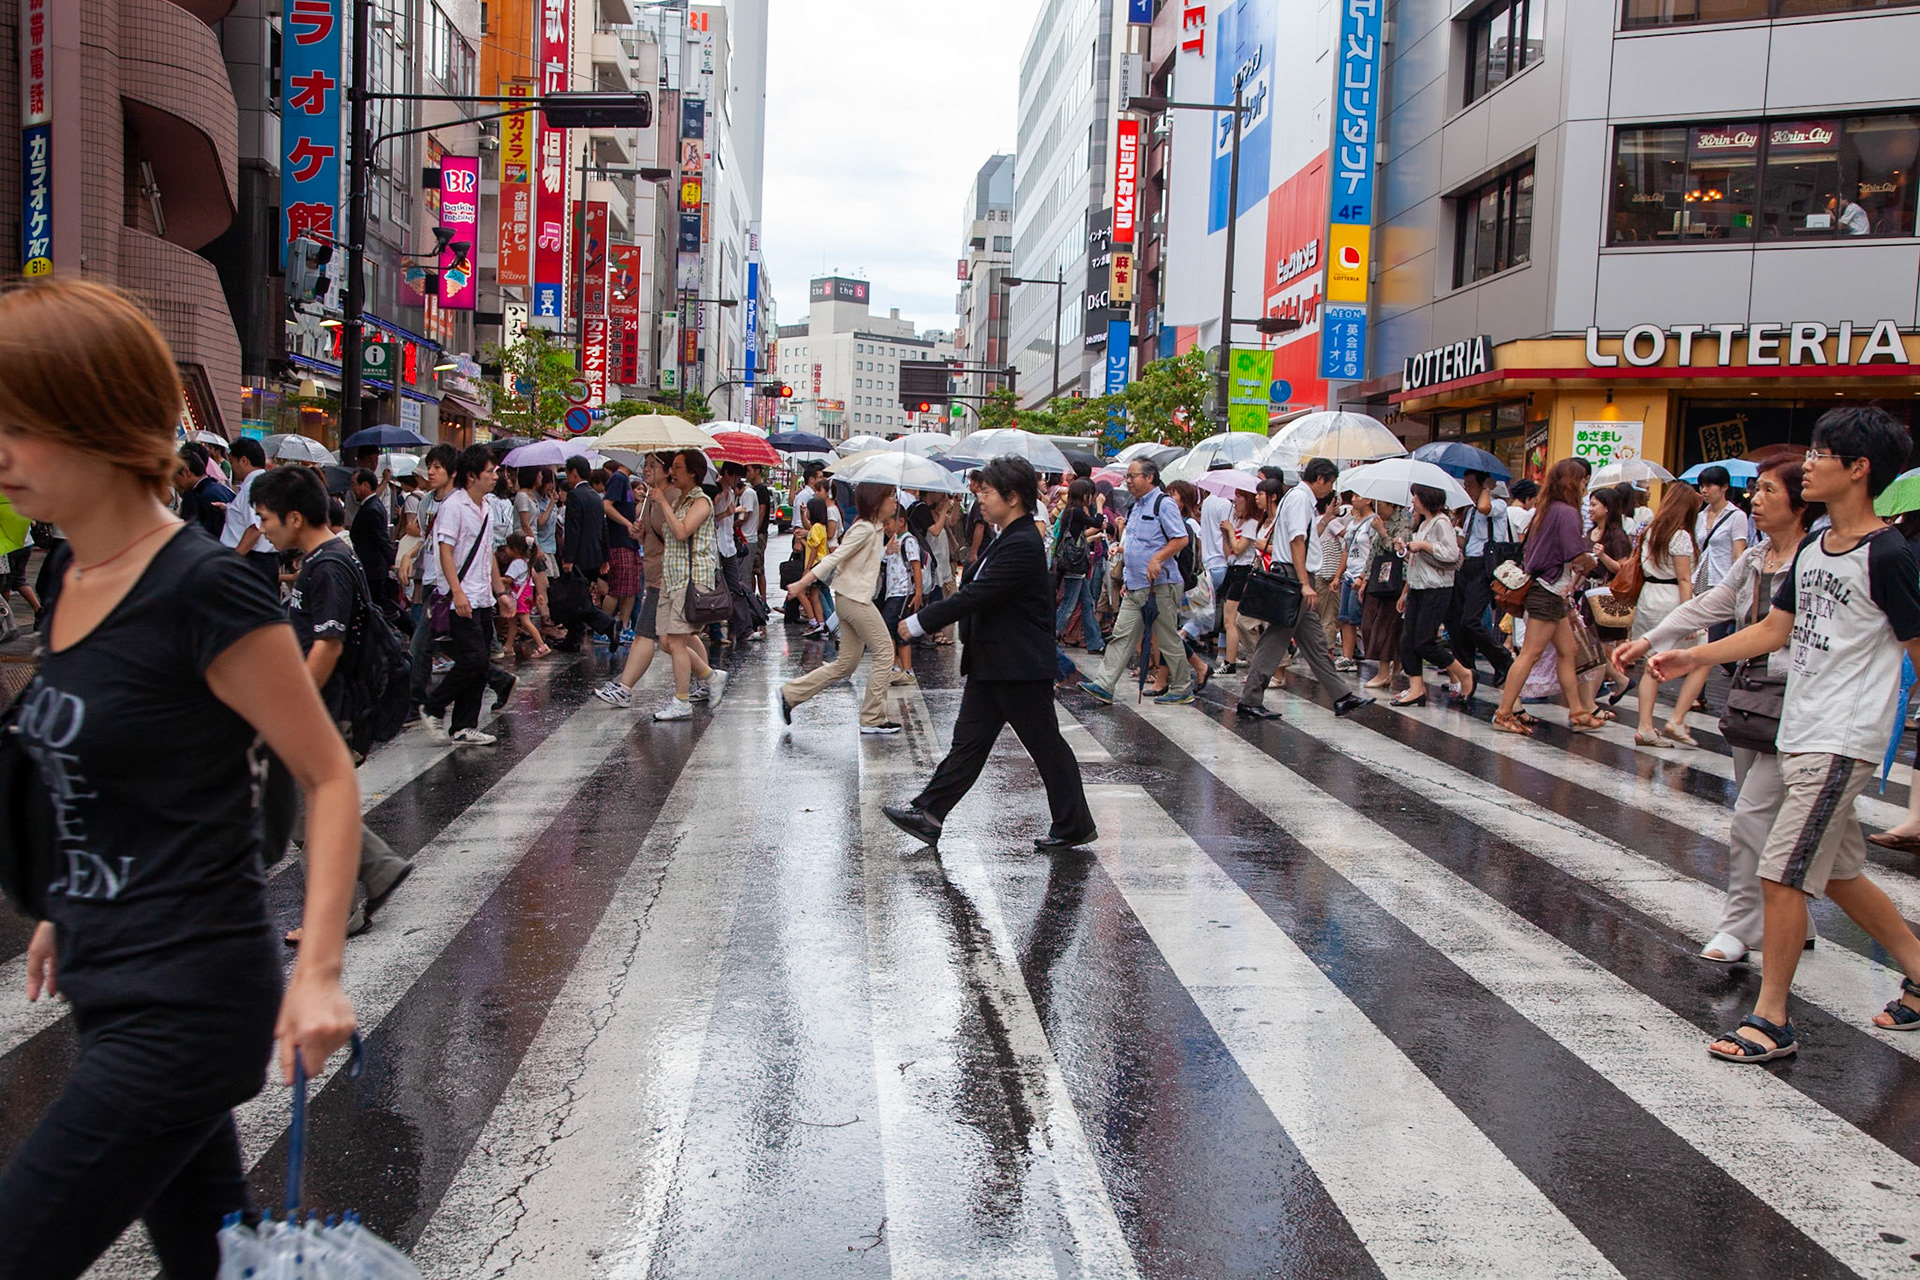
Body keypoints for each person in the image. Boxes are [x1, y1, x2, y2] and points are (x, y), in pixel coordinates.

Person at [0, 279, 357, 1277]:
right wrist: (63, 899)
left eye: (21, 425)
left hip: (188, 1001)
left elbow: (326, 776)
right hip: (113, 983)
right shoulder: (74, 576)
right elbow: (111, 762)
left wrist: (319, 971)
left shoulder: (203, 588)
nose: (1, 451)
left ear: (98, 421)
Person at [1649, 407, 1920, 1061]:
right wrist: (1694, 656)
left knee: (1783, 872)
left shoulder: (1888, 554)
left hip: (1842, 737)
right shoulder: (1816, 552)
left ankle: (1771, 1019)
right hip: (1798, 731)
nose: (1810, 464)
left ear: (1858, 470)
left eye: (1823, 454)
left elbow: (1916, 645)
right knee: (1840, 874)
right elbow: (1775, 631)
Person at [1617, 456, 1821, 963]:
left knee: (1752, 817)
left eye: (1769, 490)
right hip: (1755, 699)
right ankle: (1801, 920)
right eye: (1756, 490)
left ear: (1799, 503)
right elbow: (1709, 604)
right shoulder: (1755, 557)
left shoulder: (1818, 559)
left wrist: (1691, 654)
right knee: (1795, 832)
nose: (1755, 498)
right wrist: (1649, 641)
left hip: (1804, 704)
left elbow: (1774, 629)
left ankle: (1738, 924)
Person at [883, 456, 1096, 851]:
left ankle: (1073, 823)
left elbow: (975, 595)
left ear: (1013, 497)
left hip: (1017, 666)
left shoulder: (1023, 543)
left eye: (988, 491)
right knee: (969, 744)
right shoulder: (1008, 536)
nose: (980, 498)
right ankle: (930, 814)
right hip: (994, 663)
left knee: (1046, 746)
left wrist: (917, 623)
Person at [252, 465, 416, 942]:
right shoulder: (328, 559)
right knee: (314, 812)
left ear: (295, 517)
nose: (262, 528)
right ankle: (379, 869)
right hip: (328, 704)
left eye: (265, 518)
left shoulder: (327, 567)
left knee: (310, 816)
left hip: (329, 707)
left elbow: (328, 646)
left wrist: (292, 708)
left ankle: (341, 911)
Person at [1231, 459, 1373, 722]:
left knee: (1316, 642)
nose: (1330, 490)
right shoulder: (1299, 499)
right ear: (1320, 478)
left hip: (1295, 576)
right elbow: (1297, 541)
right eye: (1330, 483)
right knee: (1275, 641)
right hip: (1295, 578)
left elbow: (1303, 537)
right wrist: (1304, 583)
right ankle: (1250, 700)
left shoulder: (1298, 498)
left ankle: (1342, 696)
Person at [1493, 458, 1603, 735]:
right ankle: (1504, 712)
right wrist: (1590, 560)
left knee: (1568, 651)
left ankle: (1578, 710)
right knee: (1530, 653)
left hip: (1548, 590)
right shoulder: (1566, 512)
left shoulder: (1547, 509)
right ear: (1571, 482)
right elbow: (1575, 555)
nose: (1584, 486)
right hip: (1547, 590)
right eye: (1582, 480)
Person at [780, 480, 898, 733]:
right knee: (885, 652)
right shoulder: (865, 529)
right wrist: (803, 582)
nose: (895, 502)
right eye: (891, 496)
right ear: (877, 501)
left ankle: (791, 694)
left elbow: (859, 561)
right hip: (855, 600)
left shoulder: (874, 529)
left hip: (850, 598)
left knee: (846, 664)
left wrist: (887, 550)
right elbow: (835, 557)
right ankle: (873, 717)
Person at [1079, 457, 1194, 706]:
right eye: (1127, 477)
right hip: (1135, 585)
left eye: (1133, 476)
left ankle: (1182, 686)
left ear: (1150, 477)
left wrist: (1158, 559)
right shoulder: (1136, 506)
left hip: (1160, 584)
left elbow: (1180, 539)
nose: (1128, 481)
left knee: (1166, 637)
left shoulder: (1163, 504)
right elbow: (1138, 540)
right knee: (1122, 635)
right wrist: (1121, 549)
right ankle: (1104, 684)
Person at [421, 445, 508, 746]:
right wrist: (457, 591)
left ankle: (464, 725)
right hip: (461, 598)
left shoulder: (485, 507)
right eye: (489, 472)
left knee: (479, 663)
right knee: (474, 659)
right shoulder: (454, 506)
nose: (495, 476)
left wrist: (500, 592)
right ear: (472, 476)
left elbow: (488, 555)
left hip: (482, 597)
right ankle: (432, 705)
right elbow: (444, 552)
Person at [651, 448, 729, 721]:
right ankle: (711, 675)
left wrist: (661, 502)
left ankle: (682, 701)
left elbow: (683, 532)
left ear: (693, 472)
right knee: (666, 641)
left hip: (691, 579)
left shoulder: (701, 501)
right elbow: (669, 534)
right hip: (671, 578)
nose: (672, 472)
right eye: (671, 467)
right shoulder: (680, 501)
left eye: (678, 467)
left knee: (675, 641)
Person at [1631, 482, 1710, 748]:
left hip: (1649, 598)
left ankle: (1645, 727)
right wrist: (1689, 617)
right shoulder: (1680, 536)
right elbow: (1685, 579)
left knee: (1651, 665)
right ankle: (1676, 719)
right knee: (1703, 657)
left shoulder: (1650, 530)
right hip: (1672, 599)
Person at [595, 454, 678, 707]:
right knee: (673, 639)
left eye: (652, 465)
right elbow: (651, 539)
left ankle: (624, 688)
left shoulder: (670, 497)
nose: (645, 470)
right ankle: (709, 676)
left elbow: (676, 536)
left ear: (666, 471)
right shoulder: (652, 496)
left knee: (646, 633)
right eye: (646, 464)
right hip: (655, 572)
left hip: (666, 575)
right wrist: (639, 533)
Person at [1393, 482, 1476, 707]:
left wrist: (1424, 546)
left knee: (1424, 641)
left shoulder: (1441, 522)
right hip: (1418, 587)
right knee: (1407, 641)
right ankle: (1416, 688)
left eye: (1416, 496)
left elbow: (1451, 554)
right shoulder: (1422, 524)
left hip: (1436, 589)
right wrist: (1407, 549)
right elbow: (1420, 562)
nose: (1412, 501)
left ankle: (1463, 673)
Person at [1445, 469, 1514, 685]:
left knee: (1471, 620)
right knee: (1455, 620)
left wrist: (1487, 487)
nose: (1467, 489)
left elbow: (1486, 507)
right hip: (1467, 565)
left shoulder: (1497, 505)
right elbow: (1466, 543)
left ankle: (1502, 659)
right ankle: (1467, 669)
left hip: (1485, 566)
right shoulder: (1471, 511)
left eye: (1471, 485)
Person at [557, 454, 619, 652]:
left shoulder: (575, 495)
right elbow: (604, 528)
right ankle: (573, 638)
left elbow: (573, 529)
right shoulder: (594, 495)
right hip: (594, 556)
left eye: (568, 473)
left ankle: (606, 623)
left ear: (574, 473)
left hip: (579, 557)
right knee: (579, 598)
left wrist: (568, 558)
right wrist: (604, 556)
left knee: (576, 599)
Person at [219, 436, 281, 586]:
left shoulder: (253, 487)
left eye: (232, 462)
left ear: (244, 461)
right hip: (260, 560)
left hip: (251, 560)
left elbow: (255, 528)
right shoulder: (265, 483)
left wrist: (233, 561)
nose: (232, 467)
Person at [1053, 476, 1105, 653]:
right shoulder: (1077, 511)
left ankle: (1095, 642)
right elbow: (1098, 523)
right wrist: (1099, 505)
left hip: (1074, 565)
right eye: (1091, 495)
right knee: (1068, 604)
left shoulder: (1071, 510)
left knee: (1087, 603)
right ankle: (1049, 636)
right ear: (1085, 495)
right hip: (1074, 566)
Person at [1219, 486, 1265, 672]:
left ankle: (1230, 662)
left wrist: (1230, 531)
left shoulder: (1251, 523)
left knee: (1232, 620)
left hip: (1243, 572)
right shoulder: (1237, 523)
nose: (1235, 500)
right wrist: (1226, 535)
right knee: (1229, 619)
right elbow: (1229, 552)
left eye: (1239, 497)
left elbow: (1239, 549)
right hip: (1233, 570)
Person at [880, 504, 924, 684]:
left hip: (903, 593)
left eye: (888, 522)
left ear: (901, 521)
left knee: (887, 628)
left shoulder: (908, 540)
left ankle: (897, 668)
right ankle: (904, 670)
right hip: (892, 593)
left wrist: (918, 592)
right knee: (899, 632)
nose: (886, 527)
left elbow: (916, 566)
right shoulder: (893, 541)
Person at [1336, 492, 1376, 672]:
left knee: (1357, 615)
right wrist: (1338, 575)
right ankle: (1347, 656)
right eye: (1352, 496)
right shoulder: (1352, 522)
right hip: (1349, 574)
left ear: (1368, 500)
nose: (1353, 500)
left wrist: (1364, 576)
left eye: (1357, 496)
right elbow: (1346, 549)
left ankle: (1373, 652)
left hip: (1362, 573)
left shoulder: (1373, 522)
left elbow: (1374, 550)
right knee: (1345, 617)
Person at [347, 468, 394, 612]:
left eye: (355, 484)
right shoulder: (371, 505)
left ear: (365, 485)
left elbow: (381, 539)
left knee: (380, 605)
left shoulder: (372, 509)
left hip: (373, 568)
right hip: (371, 567)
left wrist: (392, 561)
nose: (353, 489)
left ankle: (407, 626)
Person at [174, 443, 232, 540]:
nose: (175, 484)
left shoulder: (205, 496)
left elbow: (210, 537)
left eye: (174, 477)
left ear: (186, 472)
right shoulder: (220, 489)